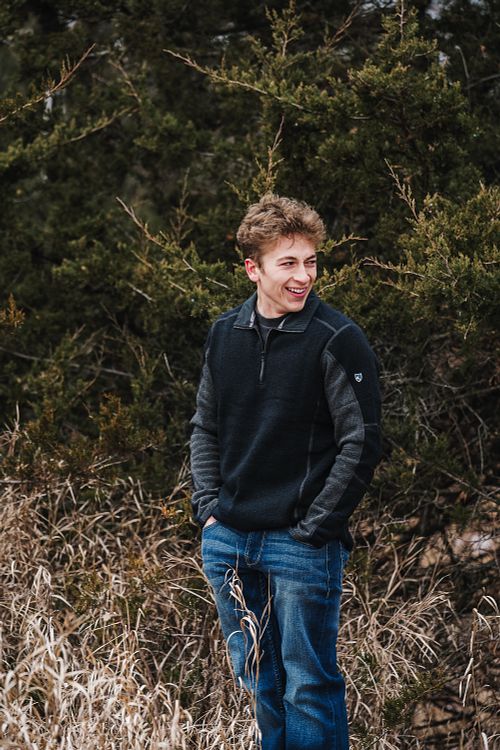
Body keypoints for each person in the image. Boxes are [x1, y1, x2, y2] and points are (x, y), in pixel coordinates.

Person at [190, 194, 382, 750]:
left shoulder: (336, 339)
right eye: (289, 263)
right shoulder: (224, 335)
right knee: (259, 679)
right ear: (253, 268)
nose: (304, 276)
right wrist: (209, 512)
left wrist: (316, 527)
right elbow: (205, 427)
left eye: (311, 262)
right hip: (229, 539)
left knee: (308, 687)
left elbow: (362, 441)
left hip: (300, 545)